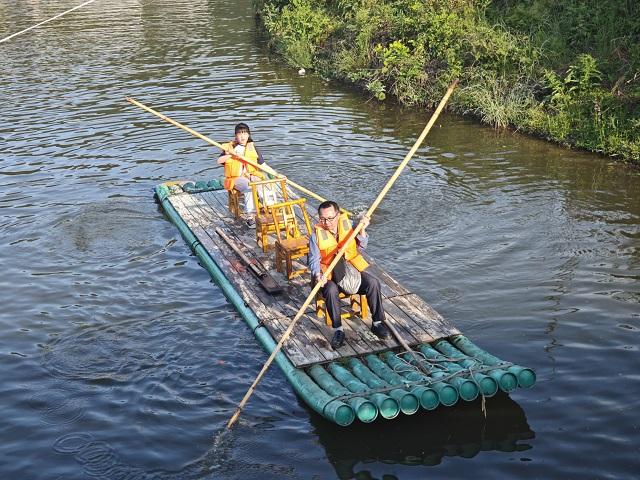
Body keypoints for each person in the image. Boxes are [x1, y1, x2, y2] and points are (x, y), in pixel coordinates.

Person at [308, 200, 390, 350]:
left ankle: (377, 323)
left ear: (338, 215)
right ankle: (338, 330)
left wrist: (362, 229)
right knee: (331, 290)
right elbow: (313, 260)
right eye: (323, 219)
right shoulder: (315, 236)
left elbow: (362, 246)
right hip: (329, 275)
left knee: (373, 283)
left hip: (349, 271)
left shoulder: (350, 225)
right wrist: (318, 274)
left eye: (330, 218)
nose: (327, 223)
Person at [218, 122, 265, 227]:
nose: (242, 136)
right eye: (239, 133)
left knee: (263, 183)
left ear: (248, 135)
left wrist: (277, 174)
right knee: (249, 187)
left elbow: (263, 165)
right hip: (236, 178)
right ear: (236, 136)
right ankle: (250, 216)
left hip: (250, 174)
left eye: (245, 133)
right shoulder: (231, 148)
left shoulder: (252, 148)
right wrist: (231, 154)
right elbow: (219, 160)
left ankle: (268, 206)